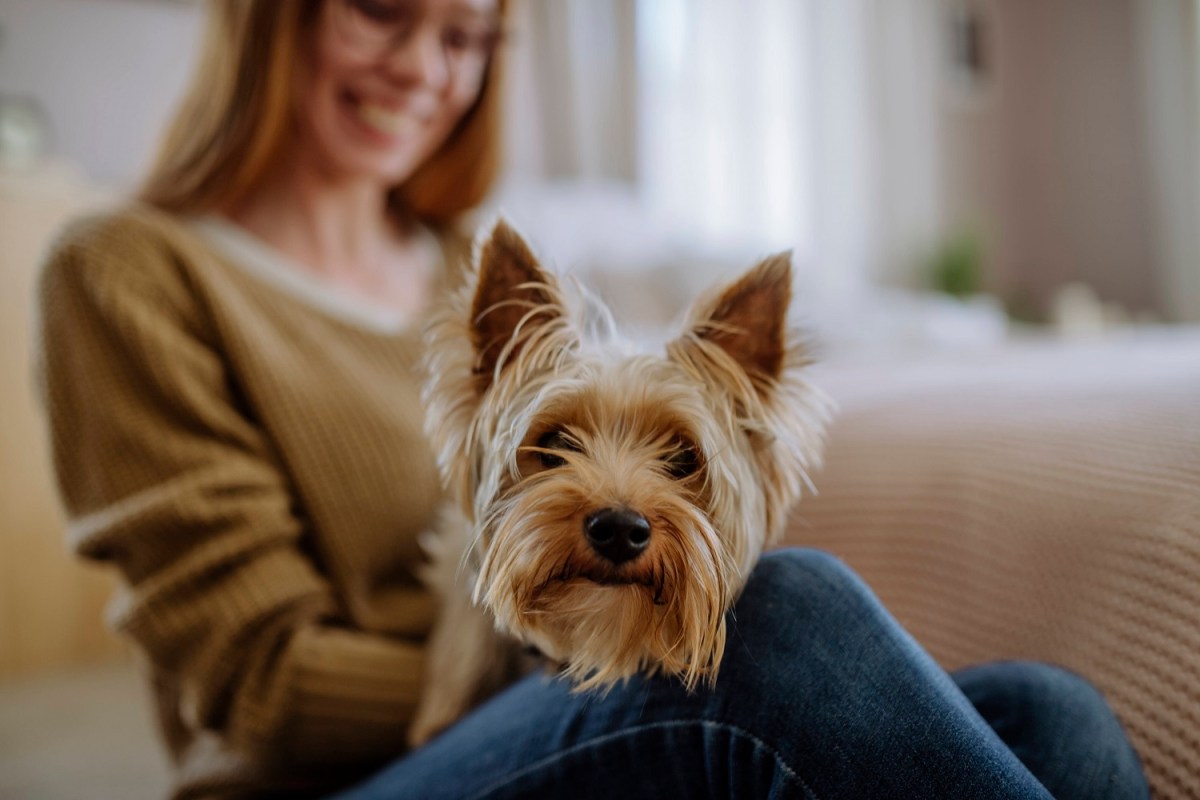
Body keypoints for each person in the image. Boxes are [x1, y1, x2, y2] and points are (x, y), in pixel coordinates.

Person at [35, 1, 1148, 798]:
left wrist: (602, 639)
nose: (426, 66)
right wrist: (567, 648)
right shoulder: (126, 269)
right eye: (383, 12)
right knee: (786, 617)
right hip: (344, 767)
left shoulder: (466, 262)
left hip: (536, 695)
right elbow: (257, 679)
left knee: (1049, 710)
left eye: (466, 35)